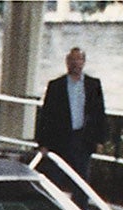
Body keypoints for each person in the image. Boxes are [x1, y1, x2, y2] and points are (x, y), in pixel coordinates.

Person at [34, 47, 105, 182]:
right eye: (72, 59)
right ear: (67, 61)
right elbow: (46, 115)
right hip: (60, 138)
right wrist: (43, 143)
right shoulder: (56, 86)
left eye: (78, 59)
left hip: (83, 138)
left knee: (81, 179)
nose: (75, 63)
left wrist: (99, 139)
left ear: (83, 62)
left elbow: (99, 113)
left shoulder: (93, 85)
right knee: (56, 177)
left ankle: (79, 204)